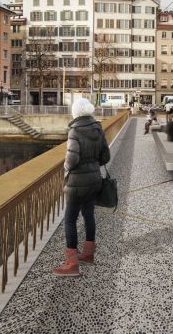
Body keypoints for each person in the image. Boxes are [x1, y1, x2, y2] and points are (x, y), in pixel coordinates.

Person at [54, 98, 111, 277]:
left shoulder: (75, 131)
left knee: (70, 219)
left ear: (75, 112)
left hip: (77, 183)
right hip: (94, 180)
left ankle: (72, 263)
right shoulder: (97, 128)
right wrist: (93, 163)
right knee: (88, 215)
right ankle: (88, 254)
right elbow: (105, 156)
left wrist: (66, 170)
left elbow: (71, 160)